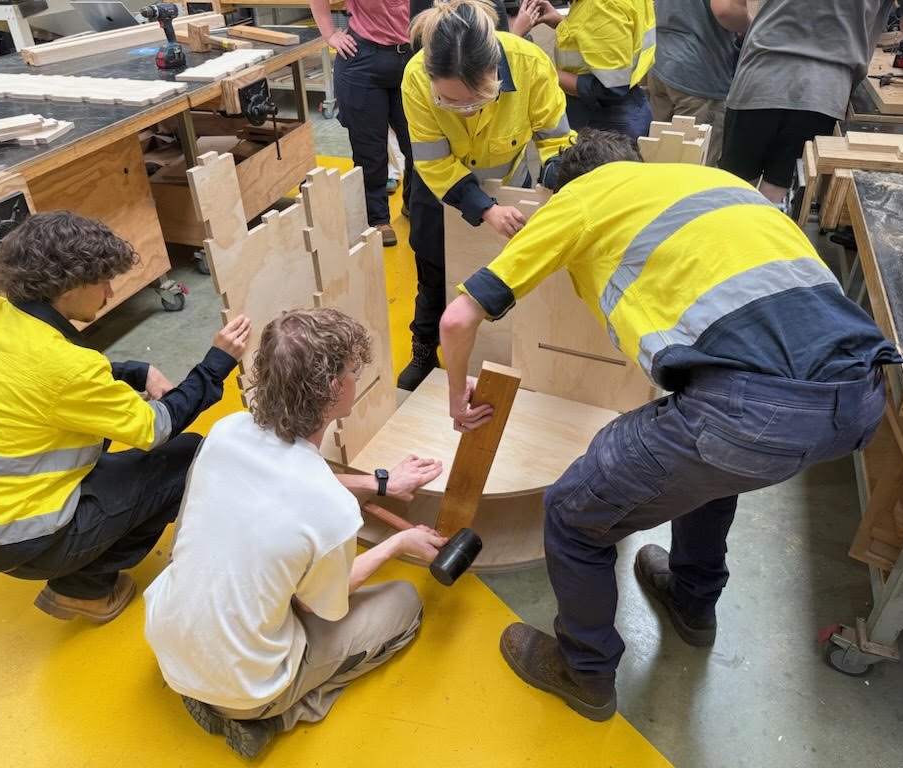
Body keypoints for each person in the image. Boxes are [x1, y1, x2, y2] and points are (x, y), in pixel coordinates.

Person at [439, 128, 899, 721]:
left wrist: (457, 396)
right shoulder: (716, 183)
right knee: (709, 470)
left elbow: (457, 320)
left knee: (574, 513)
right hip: (862, 393)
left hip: (755, 411)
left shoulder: (582, 198)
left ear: (569, 184)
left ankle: (583, 671)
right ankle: (692, 601)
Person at [143, 307, 447, 758]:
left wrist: (378, 484)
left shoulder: (225, 432)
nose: (357, 378)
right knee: (405, 603)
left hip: (168, 643)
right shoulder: (332, 511)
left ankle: (213, 689)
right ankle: (273, 715)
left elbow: (290, 480)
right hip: (244, 687)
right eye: (353, 372)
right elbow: (317, 606)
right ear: (334, 389)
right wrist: (399, 543)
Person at [0, 211, 250, 624]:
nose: (110, 291)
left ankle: (79, 570)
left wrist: (135, 371)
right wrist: (216, 364)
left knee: (102, 444)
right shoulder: (66, 369)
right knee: (187, 457)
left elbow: (42, 377)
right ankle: (84, 589)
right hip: (19, 539)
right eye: (103, 282)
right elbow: (157, 427)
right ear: (69, 289)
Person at [397, 0, 574, 391]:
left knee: (507, 273)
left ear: (496, 70)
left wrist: (555, 186)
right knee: (432, 273)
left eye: (476, 99)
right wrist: (486, 209)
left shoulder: (530, 63)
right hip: (442, 191)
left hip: (510, 185)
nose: (464, 111)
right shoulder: (416, 76)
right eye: (450, 101)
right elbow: (434, 162)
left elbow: (556, 140)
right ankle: (423, 350)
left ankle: (506, 352)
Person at [721, 0, 903, 206]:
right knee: (777, 197)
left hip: (759, 74)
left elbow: (727, 7)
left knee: (732, 190)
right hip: (822, 90)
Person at [309, 0, 413, 247]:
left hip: (411, 57)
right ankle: (377, 219)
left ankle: (414, 203)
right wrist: (330, 34)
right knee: (370, 150)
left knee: (418, 144)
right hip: (363, 61)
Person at [532, 0, 656, 137]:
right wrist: (560, 23)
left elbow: (612, 88)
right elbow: (604, 34)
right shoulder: (599, 8)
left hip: (607, 123)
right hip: (626, 107)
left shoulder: (603, 7)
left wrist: (544, 72)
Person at [647, 0, 746, 166]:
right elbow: (726, 10)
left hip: (661, 59)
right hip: (699, 71)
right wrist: (752, 26)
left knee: (659, 157)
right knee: (694, 165)